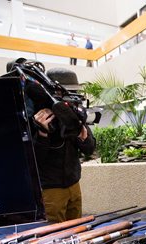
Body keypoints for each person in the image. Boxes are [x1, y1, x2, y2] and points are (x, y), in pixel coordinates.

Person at [31, 67, 96, 223]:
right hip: (52, 189)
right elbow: (34, 160)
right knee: (56, 235)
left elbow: (89, 149)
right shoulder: (39, 115)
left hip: (74, 184)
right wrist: (43, 133)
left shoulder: (74, 114)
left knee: (77, 228)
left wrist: (82, 134)